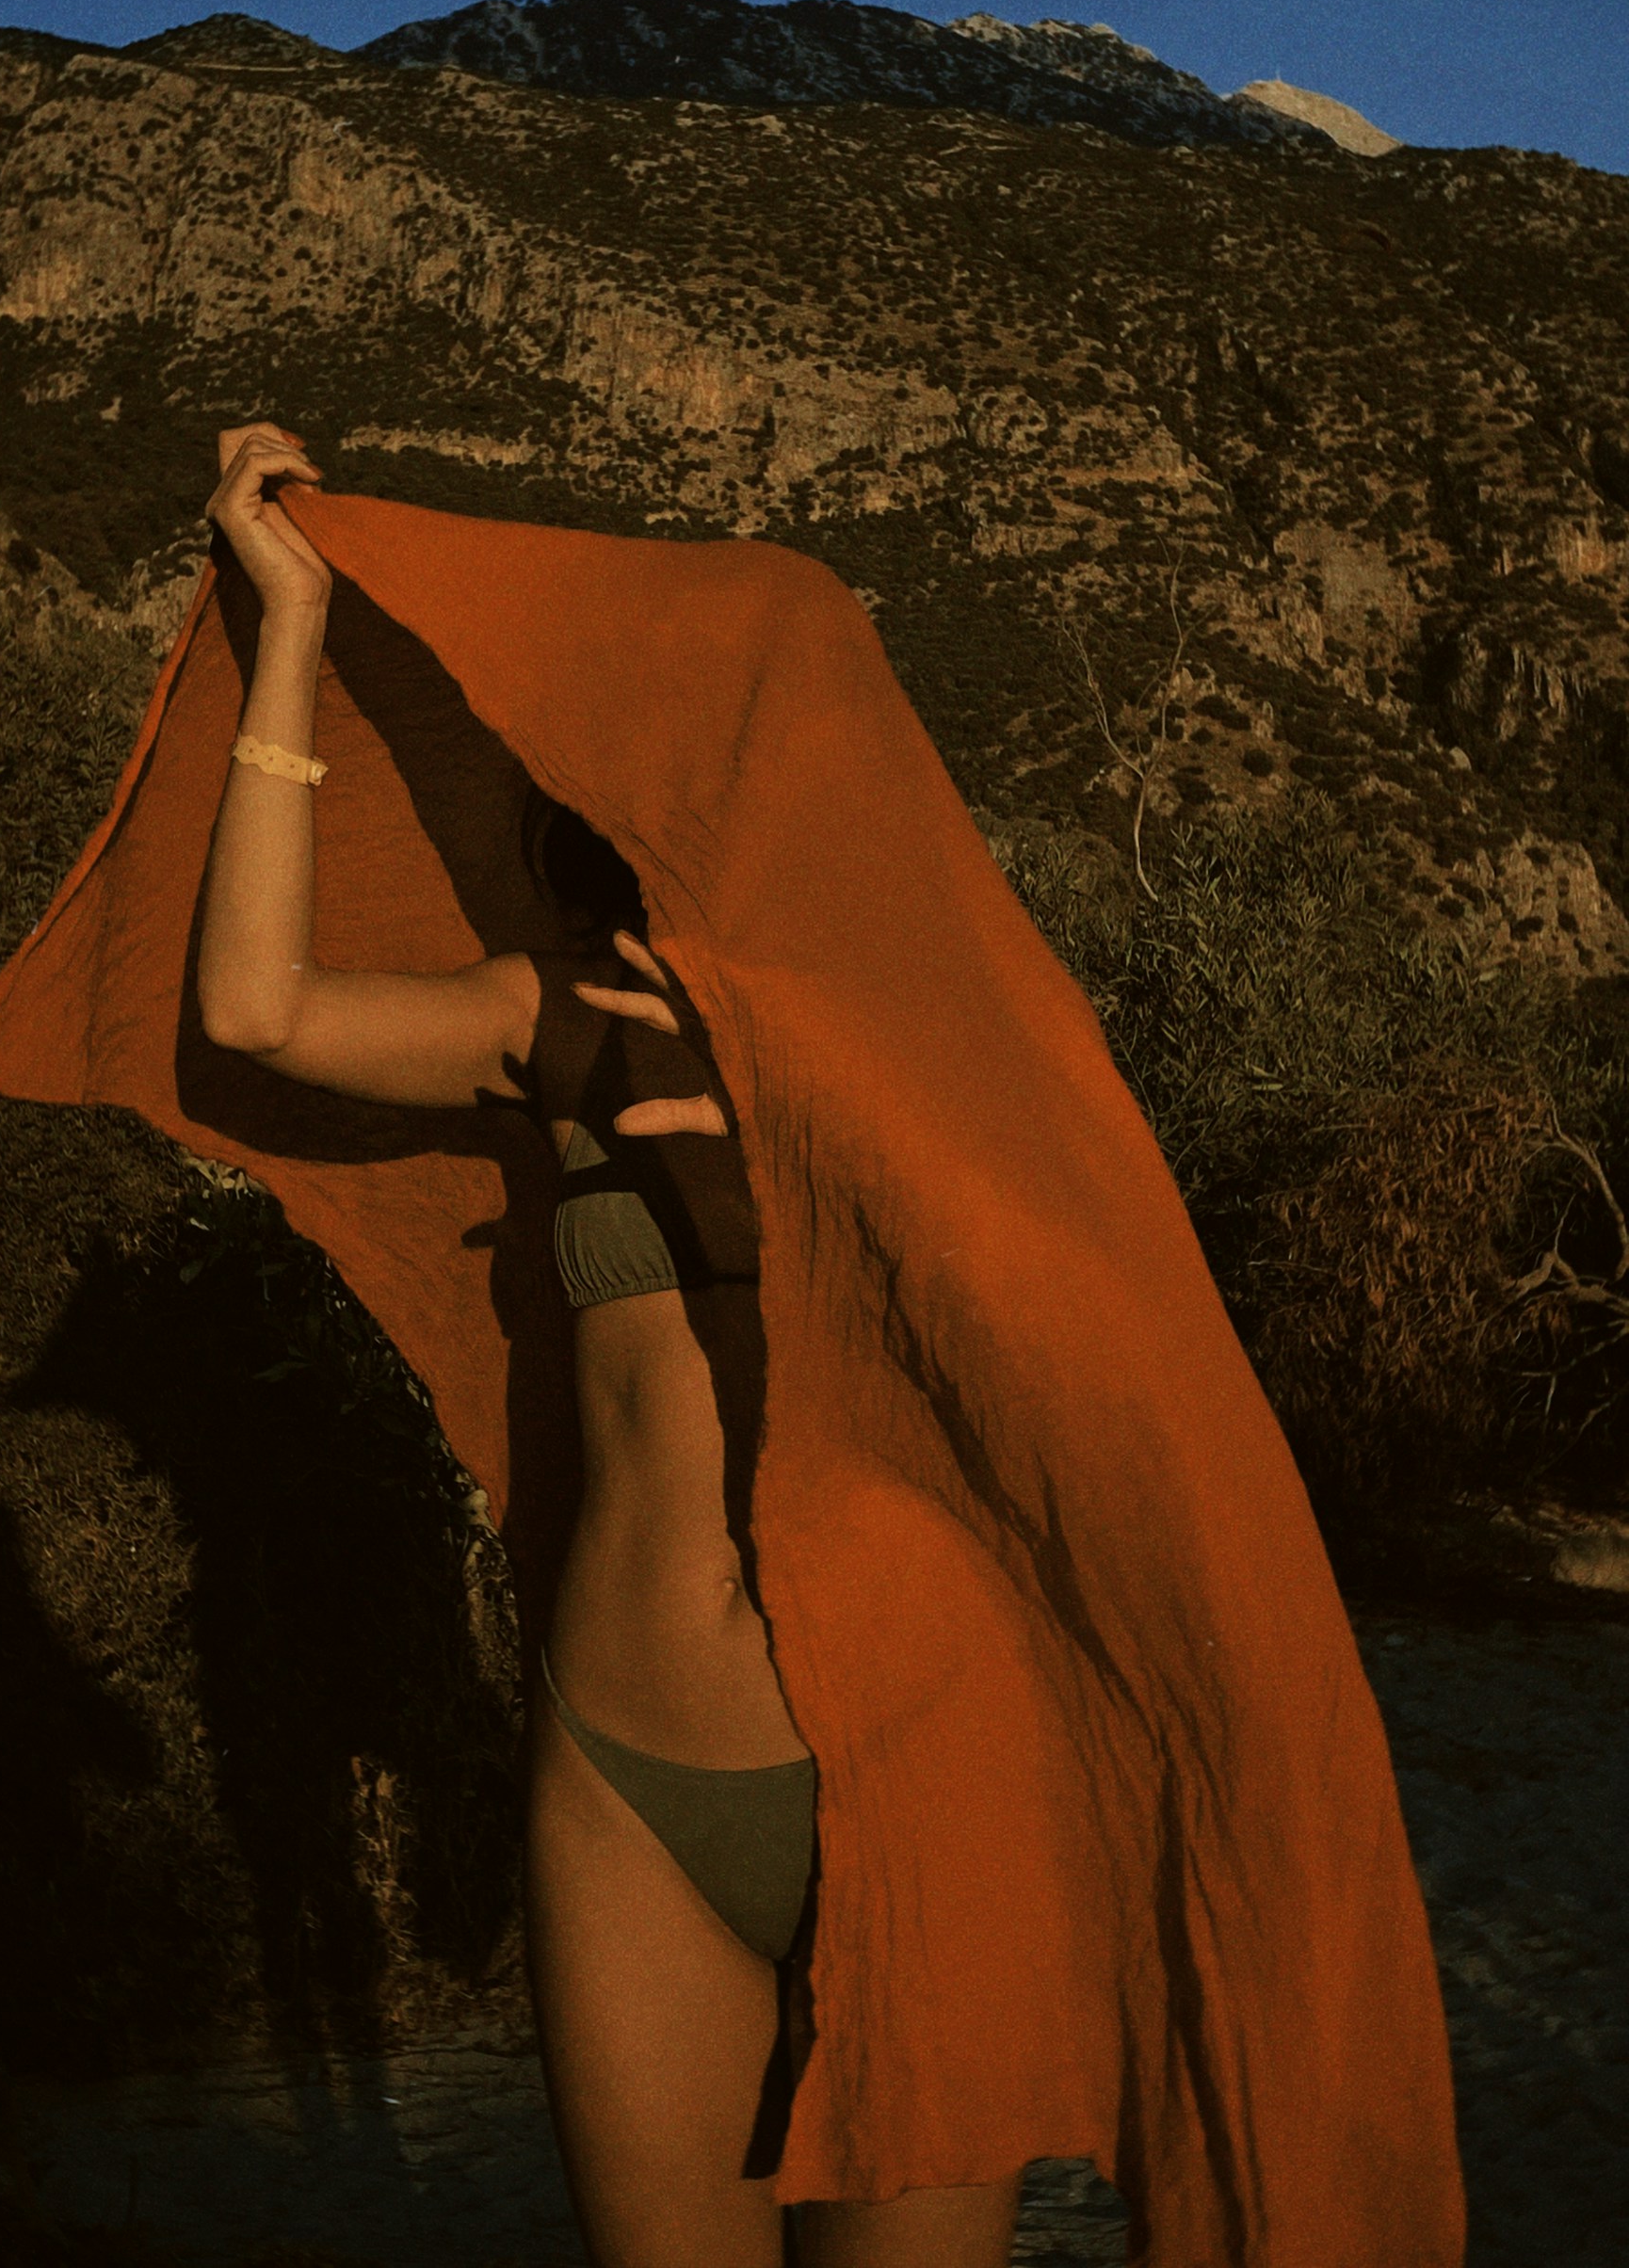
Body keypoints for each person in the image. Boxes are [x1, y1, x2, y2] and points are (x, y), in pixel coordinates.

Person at [195, 422, 1024, 2268]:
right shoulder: (561, 1015)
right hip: (629, 1779)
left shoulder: (934, 1034)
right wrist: (295, 626)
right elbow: (254, 1010)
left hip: (921, 1773)